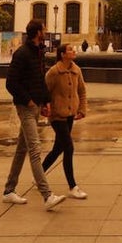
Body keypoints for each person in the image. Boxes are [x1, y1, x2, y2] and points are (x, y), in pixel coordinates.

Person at [3, 20, 66, 211]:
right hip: (26, 107)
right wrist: (28, 100)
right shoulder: (22, 54)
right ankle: (47, 195)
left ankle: (9, 190)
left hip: (36, 106)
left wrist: (45, 101)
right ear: (38, 32)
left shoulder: (38, 52)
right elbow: (10, 83)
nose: (46, 32)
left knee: (22, 149)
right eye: (44, 29)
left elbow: (40, 79)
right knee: (35, 149)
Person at [42, 43, 89, 200]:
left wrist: (82, 109)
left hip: (70, 114)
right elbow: (45, 91)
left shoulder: (76, 70)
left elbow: (82, 91)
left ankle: (39, 175)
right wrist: (46, 107)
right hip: (57, 115)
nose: (74, 51)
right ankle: (73, 186)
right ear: (62, 54)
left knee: (58, 148)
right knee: (69, 147)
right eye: (70, 50)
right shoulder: (54, 72)